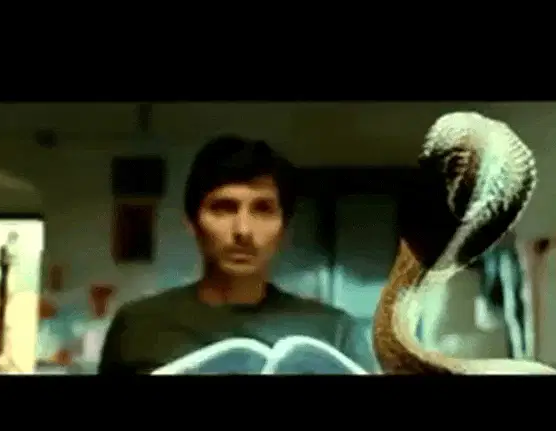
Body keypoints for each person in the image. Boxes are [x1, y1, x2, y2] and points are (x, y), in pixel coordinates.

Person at [98, 135, 378, 374]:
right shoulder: (138, 325)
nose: (243, 230)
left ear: (284, 228)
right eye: (224, 208)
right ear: (192, 223)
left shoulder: (334, 331)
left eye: (263, 209)